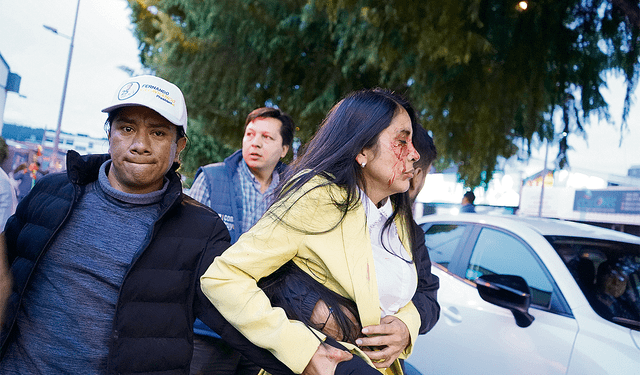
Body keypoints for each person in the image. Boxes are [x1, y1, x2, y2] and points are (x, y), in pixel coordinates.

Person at [0, 75, 292, 375]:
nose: (140, 145)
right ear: (109, 133)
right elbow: (5, 272)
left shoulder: (201, 231)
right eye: (127, 129)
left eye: (158, 133)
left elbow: (236, 313)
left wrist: (313, 356)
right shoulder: (50, 193)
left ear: (179, 147)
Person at [202, 89, 436, 375]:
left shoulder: (397, 216)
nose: (414, 154)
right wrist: (301, 347)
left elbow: (421, 291)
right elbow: (223, 278)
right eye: (402, 141)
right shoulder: (317, 197)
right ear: (362, 149)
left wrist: (406, 326)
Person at [188, 107, 295, 375]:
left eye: (267, 138)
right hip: (208, 328)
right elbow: (186, 252)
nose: (255, 142)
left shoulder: (295, 193)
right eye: (250, 134)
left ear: (284, 149)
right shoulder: (212, 180)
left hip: (264, 334)